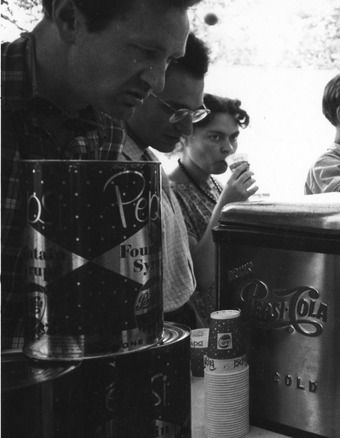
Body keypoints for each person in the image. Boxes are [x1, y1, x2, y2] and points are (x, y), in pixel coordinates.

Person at [1, 0, 198, 348]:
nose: (157, 80)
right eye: (145, 51)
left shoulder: (107, 127)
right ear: (69, 19)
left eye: (168, 60)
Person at [122, 33, 210, 328]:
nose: (186, 128)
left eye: (194, 113)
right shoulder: (116, 166)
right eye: (173, 110)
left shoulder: (147, 159)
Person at [169, 94, 258, 326]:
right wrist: (227, 203)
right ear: (185, 137)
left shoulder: (216, 185)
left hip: (231, 313)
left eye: (233, 137)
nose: (228, 148)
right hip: (203, 329)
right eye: (215, 137)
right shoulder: (170, 193)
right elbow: (200, 276)